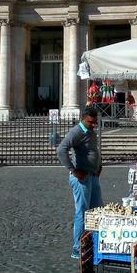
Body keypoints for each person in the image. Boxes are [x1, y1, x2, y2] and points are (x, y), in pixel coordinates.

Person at [57, 106, 103, 259]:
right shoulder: (76, 132)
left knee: (97, 210)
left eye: (95, 122)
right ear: (83, 119)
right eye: (91, 122)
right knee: (82, 212)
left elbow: (93, 150)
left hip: (92, 175)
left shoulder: (90, 131)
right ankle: (77, 248)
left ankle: (93, 242)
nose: (94, 124)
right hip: (81, 178)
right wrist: (73, 170)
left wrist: (98, 164)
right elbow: (61, 149)